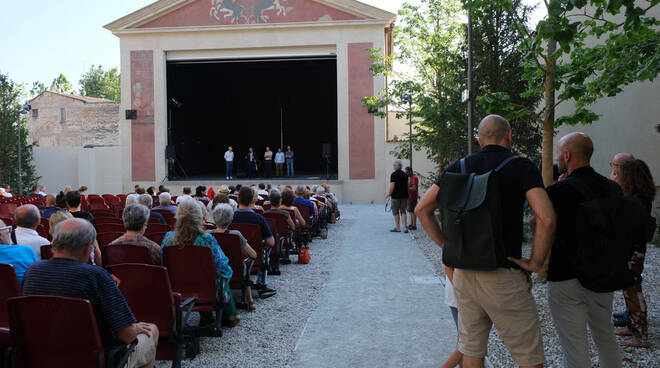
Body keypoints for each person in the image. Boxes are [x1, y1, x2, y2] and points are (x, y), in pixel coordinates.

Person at [415, 115, 555, 368]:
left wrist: (449, 247)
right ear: (509, 135)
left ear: (479, 140)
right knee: (528, 357)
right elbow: (546, 218)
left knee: (472, 351)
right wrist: (536, 261)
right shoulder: (522, 167)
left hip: (464, 276)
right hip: (504, 275)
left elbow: (422, 210)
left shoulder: (457, 166)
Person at [22, 218, 159, 368]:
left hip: (43, 354)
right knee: (152, 330)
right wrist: (136, 328)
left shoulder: (32, 271)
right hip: (96, 359)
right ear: (88, 248)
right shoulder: (95, 275)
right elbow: (127, 335)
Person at [545, 132, 622, 366]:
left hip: (564, 275)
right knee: (605, 336)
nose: (558, 157)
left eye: (559, 153)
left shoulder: (558, 192)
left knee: (574, 345)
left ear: (567, 156)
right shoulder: (612, 189)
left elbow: (541, 225)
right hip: (601, 273)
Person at [161, 200, 240, 327]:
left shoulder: (168, 238)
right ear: (199, 217)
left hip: (177, 288)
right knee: (220, 275)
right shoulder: (206, 239)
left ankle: (207, 318)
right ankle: (231, 315)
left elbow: (163, 263)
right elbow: (223, 269)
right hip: (206, 289)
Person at [612, 159, 656, 348]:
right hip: (633, 250)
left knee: (633, 290)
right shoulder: (641, 198)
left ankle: (640, 335)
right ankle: (633, 326)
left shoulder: (635, 201)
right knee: (630, 289)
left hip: (633, 252)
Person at [210, 203, 258, 311]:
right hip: (236, 269)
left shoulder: (208, 235)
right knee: (245, 265)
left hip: (214, 271)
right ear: (231, 220)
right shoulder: (236, 235)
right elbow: (253, 254)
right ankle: (250, 301)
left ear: (214, 218)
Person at [233, 186, 276, 297]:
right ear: (253, 200)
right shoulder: (259, 218)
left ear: (238, 199)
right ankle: (262, 284)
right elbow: (271, 242)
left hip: (234, 255)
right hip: (255, 255)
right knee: (266, 251)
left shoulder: (229, 217)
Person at [0, 219, 38, 284]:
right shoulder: (26, 251)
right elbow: (38, 278)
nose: (9, 232)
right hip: (24, 293)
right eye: (7, 229)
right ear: (0, 235)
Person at [441, 266, 463, 368]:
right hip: (462, 296)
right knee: (467, 344)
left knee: (465, 342)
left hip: (460, 295)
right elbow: (448, 267)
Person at [386, 160, 409, 233]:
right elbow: (407, 186)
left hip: (395, 196)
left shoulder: (393, 174)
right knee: (403, 211)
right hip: (404, 196)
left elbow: (392, 186)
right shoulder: (405, 175)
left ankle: (398, 228)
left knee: (395, 212)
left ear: (396, 166)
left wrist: (389, 194)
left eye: (394, 165)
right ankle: (405, 227)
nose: (393, 167)